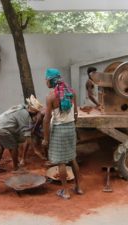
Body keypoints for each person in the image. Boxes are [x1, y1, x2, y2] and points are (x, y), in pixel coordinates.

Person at [42, 68, 83, 199]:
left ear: (51, 81)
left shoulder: (51, 97)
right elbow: (76, 114)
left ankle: (65, 191)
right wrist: (72, 124)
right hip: (71, 128)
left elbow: (46, 120)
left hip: (59, 130)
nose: (45, 82)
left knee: (61, 162)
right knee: (73, 159)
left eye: (46, 79)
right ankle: (78, 187)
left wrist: (46, 138)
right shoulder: (71, 92)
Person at [0, 95, 43, 172]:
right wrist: (35, 150)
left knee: (2, 148)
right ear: (34, 112)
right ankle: (16, 168)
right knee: (14, 147)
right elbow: (27, 136)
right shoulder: (25, 114)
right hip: (3, 129)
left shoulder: (22, 108)